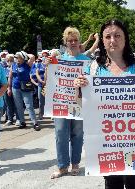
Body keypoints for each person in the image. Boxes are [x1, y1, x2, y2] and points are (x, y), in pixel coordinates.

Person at [74, 19, 135, 189]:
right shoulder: (93, 68)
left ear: (126, 39)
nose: (112, 40)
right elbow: (82, 105)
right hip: (107, 139)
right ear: (103, 40)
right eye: (108, 36)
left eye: (117, 35)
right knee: (112, 183)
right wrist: (77, 89)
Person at [48, 27, 90, 179]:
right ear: (65, 42)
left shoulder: (87, 61)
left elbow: (91, 83)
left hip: (79, 103)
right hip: (61, 102)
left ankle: (76, 164)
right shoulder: (58, 60)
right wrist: (48, 66)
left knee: (77, 134)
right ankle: (62, 166)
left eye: (75, 40)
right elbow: (51, 80)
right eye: (69, 40)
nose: (73, 42)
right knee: (60, 133)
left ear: (79, 41)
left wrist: (84, 82)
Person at [7, 51, 40, 131]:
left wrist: (22, 53)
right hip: (15, 87)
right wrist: (9, 88)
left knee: (29, 106)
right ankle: (22, 122)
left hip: (25, 88)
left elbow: (32, 56)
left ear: (23, 58)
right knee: (19, 106)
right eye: (16, 57)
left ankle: (35, 123)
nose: (16, 59)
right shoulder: (13, 65)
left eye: (18, 57)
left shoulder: (27, 64)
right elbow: (10, 77)